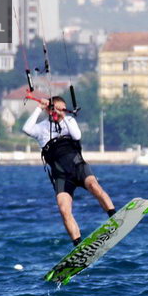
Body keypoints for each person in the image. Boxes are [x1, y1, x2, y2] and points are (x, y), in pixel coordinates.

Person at [22, 96, 116, 246]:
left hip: (77, 167)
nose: (60, 111)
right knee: (63, 208)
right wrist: (39, 108)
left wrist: (63, 117)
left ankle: (114, 216)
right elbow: (26, 129)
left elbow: (77, 135)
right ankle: (78, 244)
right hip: (61, 175)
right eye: (57, 108)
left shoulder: (69, 121)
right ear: (49, 110)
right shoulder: (41, 128)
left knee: (94, 185)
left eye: (62, 108)